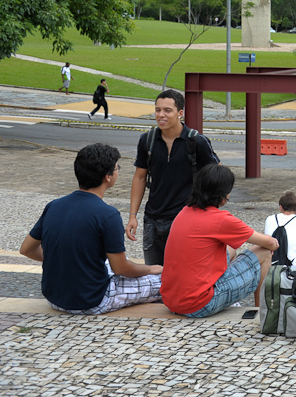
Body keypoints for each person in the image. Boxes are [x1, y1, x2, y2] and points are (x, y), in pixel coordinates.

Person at [20, 143, 162, 314]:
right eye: (117, 168)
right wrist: (151, 269)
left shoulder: (54, 206)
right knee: (163, 279)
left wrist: (63, 261)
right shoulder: (108, 215)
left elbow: (26, 249)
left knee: (110, 262)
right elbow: (121, 269)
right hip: (93, 300)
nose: (118, 171)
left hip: (54, 298)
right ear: (108, 177)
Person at [161, 163, 278, 317]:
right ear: (223, 196)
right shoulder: (221, 220)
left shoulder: (184, 212)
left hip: (171, 301)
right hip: (199, 304)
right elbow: (270, 243)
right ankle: (261, 312)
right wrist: (273, 241)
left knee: (231, 249)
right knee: (263, 252)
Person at [127, 89, 219, 265]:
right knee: (154, 275)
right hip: (152, 219)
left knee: (183, 271)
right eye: (157, 110)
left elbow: (218, 174)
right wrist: (133, 216)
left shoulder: (197, 141)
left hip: (185, 218)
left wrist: (213, 211)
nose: (161, 115)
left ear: (180, 113)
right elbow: (139, 177)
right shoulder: (147, 140)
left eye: (167, 110)